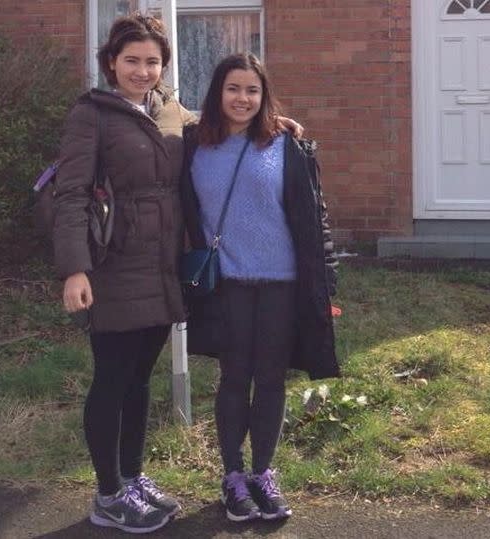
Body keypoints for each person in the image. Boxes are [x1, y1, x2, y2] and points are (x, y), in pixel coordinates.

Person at [53, 14, 304, 534]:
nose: (142, 71)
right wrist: (74, 269)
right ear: (110, 63)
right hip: (113, 265)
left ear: (163, 66)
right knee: (112, 376)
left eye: (152, 62)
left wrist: (278, 123)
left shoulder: (169, 111)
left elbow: (221, 119)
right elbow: (72, 194)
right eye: (131, 61)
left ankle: (133, 477)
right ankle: (107, 493)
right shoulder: (91, 115)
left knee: (140, 379)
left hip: (163, 266)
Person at [180, 52, 341, 523]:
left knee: (270, 379)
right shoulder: (193, 143)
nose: (243, 98)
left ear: (263, 95)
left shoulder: (286, 145)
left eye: (252, 90)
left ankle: (262, 474)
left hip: (281, 283)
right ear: (218, 93)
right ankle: (232, 477)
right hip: (226, 283)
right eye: (233, 89)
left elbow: (316, 218)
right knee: (234, 378)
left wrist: (326, 281)